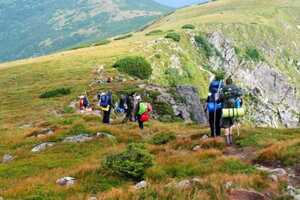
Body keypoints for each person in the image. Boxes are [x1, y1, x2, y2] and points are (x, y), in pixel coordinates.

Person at [220, 77, 243, 145]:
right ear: (231, 82)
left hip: (225, 109)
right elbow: (240, 95)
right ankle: (231, 139)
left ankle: (227, 141)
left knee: (226, 124)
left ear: (226, 82)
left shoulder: (223, 88)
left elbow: (220, 98)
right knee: (231, 123)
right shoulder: (236, 88)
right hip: (234, 109)